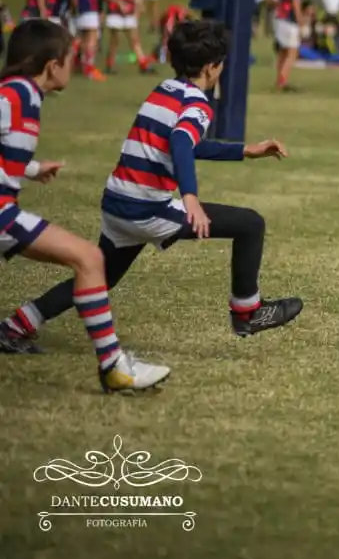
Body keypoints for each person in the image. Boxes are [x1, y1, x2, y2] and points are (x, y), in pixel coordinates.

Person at [3, 21, 302, 354]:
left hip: (117, 202)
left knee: (99, 275)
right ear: (211, 67)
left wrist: (244, 150)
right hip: (146, 210)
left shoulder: (165, 90)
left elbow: (184, 143)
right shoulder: (198, 105)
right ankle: (248, 311)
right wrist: (189, 197)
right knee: (250, 224)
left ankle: (17, 325)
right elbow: (179, 141)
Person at [0, 21, 171, 391]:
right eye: (70, 58)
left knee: (88, 259)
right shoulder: (21, 96)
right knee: (91, 260)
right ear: (51, 65)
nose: (73, 66)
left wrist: (30, 168)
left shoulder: (16, 92)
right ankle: (114, 367)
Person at [270, 0, 302, 92]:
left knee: (283, 51)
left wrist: (276, 4)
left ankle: (279, 80)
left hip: (278, 18)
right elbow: (295, 1)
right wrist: (300, 18)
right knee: (292, 52)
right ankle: (283, 81)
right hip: (289, 19)